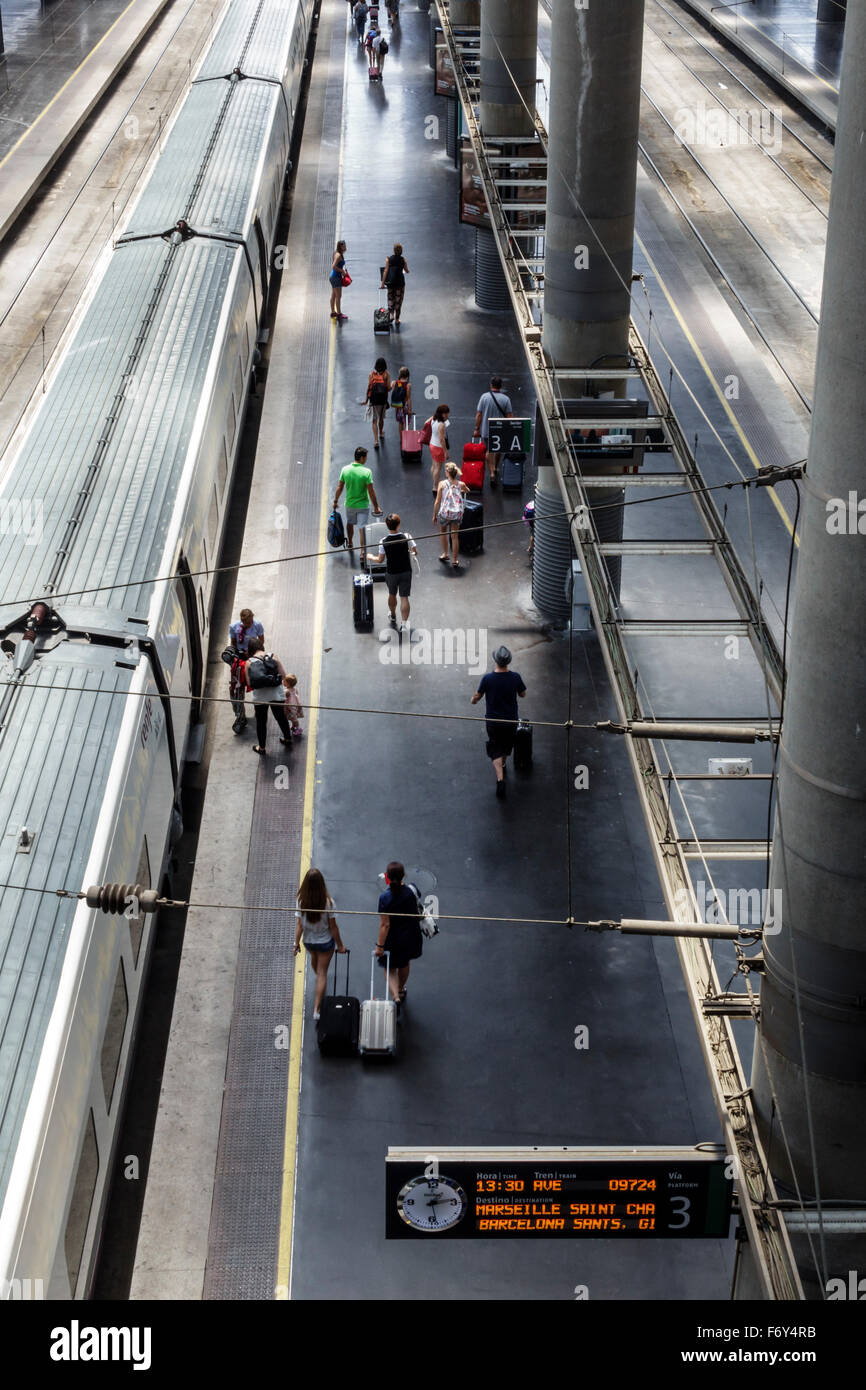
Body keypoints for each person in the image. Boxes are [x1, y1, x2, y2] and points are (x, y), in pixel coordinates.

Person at [471, 645, 527, 798]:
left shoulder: (488, 679)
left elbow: (477, 697)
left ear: (495, 660)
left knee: (495, 746)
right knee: (507, 745)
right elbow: (522, 694)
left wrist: (473, 700)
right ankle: (503, 763)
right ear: (508, 662)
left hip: (493, 721)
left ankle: (500, 779)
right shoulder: (515, 677)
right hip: (510, 721)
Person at [295, 868, 345, 1020]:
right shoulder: (328, 902)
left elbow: (299, 925)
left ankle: (319, 983)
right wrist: (341, 946)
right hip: (325, 942)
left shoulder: (301, 900)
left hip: (309, 942)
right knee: (322, 973)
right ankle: (316, 1009)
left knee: (315, 964)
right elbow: (333, 927)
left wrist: (295, 943)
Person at [375, 861, 423, 1005]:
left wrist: (380, 946)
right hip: (410, 937)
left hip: (392, 939)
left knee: (389, 968)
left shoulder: (384, 898)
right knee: (404, 963)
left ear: (387, 878)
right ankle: (401, 989)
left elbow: (385, 924)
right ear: (404, 876)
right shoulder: (412, 891)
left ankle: (395, 995)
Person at [333, 445, 382, 564]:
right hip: (363, 505)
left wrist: (335, 501)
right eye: (365, 457)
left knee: (350, 523)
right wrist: (376, 506)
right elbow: (371, 491)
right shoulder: (366, 472)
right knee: (362, 528)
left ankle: (350, 542)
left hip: (350, 504)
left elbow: (340, 487)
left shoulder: (345, 469)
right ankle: (362, 552)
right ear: (361, 458)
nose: (366, 459)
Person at [245, 636, 294, 754]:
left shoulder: (249, 662)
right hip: (276, 694)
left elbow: (249, 683)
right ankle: (287, 739)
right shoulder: (273, 656)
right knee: (280, 717)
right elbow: (283, 675)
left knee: (261, 722)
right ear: (261, 646)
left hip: (260, 697)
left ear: (251, 649)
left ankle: (261, 748)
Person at [374, 512, 417, 631]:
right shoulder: (407, 536)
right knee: (404, 597)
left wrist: (369, 557)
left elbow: (380, 559)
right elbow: (415, 552)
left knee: (392, 594)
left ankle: (393, 615)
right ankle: (403, 624)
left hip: (391, 573)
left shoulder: (383, 541)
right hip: (405, 571)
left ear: (387, 526)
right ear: (398, 525)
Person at [473, 375, 513, 485]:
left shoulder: (484, 397)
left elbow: (479, 414)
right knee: (498, 449)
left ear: (491, 385)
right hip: (501, 430)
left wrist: (477, 429)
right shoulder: (506, 399)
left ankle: (491, 472)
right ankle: (495, 467)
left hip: (487, 429)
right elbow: (509, 416)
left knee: (489, 450)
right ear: (501, 386)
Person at [228, 608, 264, 728]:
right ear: (242, 621)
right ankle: (240, 715)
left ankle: (258, 710)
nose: (250, 624)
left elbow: (261, 641)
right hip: (240, 658)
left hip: (252, 657)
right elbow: (233, 643)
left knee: (256, 684)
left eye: (251, 621)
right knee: (238, 687)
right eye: (247, 623)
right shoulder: (234, 627)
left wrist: (252, 653)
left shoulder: (257, 625)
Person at [433, 460, 468, 569]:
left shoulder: (442, 484)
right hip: (456, 514)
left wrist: (434, 515)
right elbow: (467, 490)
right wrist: (464, 489)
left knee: (443, 532)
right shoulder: (460, 484)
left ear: (447, 473)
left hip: (445, 513)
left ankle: (445, 554)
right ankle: (455, 560)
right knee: (455, 536)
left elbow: (437, 501)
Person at [366, 357, 391, 449]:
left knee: (374, 420)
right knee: (381, 418)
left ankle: (376, 440)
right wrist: (392, 385)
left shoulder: (371, 374)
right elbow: (388, 388)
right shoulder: (386, 375)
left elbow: (369, 387)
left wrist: (367, 399)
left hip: (373, 400)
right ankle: (381, 432)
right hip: (383, 400)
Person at [381, 243, 408, 326]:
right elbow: (406, 270)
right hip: (400, 283)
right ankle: (397, 319)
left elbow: (385, 271)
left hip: (391, 282)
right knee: (398, 300)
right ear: (401, 251)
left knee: (390, 299)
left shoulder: (389, 259)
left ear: (394, 250)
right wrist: (406, 271)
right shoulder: (403, 260)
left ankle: (391, 315)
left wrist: (382, 284)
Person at [426, 402, 450, 492]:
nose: (448, 415)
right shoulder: (441, 425)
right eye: (447, 413)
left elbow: (426, 422)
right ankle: (435, 486)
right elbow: (442, 440)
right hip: (438, 447)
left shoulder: (433, 419)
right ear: (443, 414)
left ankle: (435, 482)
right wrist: (446, 451)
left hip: (432, 444)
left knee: (434, 465)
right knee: (438, 468)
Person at [329, 240, 348, 321]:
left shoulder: (336, 253)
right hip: (336, 277)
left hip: (333, 277)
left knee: (333, 295)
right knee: (338, 296)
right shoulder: (338, 255)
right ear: (340, 246)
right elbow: (333, 266)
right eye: (344, 246)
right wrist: (342, 271)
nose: (345, 247)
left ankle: (333, 312)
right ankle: (339, 314)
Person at [389, 365, 412, 433]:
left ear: (400, 374)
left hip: (398, 406)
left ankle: (401, 439)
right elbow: (408, 398)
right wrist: (410, 409)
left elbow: (389, 389)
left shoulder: (394, 383)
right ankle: (406, 438)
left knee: (400, 422)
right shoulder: (408, 385)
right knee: (406, 422)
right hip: (405, 406)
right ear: (407, 375)